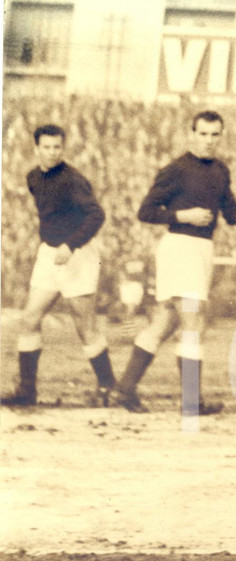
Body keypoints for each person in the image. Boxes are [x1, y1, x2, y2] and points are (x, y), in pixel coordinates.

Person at [112, 111, 236, 415]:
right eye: (202, 134)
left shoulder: (220, 170)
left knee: (166, 321)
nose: (208, 140)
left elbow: (232, 215)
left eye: (214, 134)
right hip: (179, 246)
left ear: (221, 135)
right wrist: (182, 216)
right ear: (192, 134)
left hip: (202, 249)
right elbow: (145, 211)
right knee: (193, 321)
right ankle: (191, 401)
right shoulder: (176, 169)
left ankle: (124, 388)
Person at [2, 124, 115, 407]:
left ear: (63, 148)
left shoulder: (72, 179)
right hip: (50, 254)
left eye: (57, 147)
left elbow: (96, 215)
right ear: (36, 148)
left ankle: (108, 388)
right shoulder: (32, 177)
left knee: (84, 325)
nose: (53, 152)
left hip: (77, 254)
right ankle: (27, 390)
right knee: (29, 319)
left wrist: (70, 244)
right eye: (47, 147)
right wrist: (54, 244)